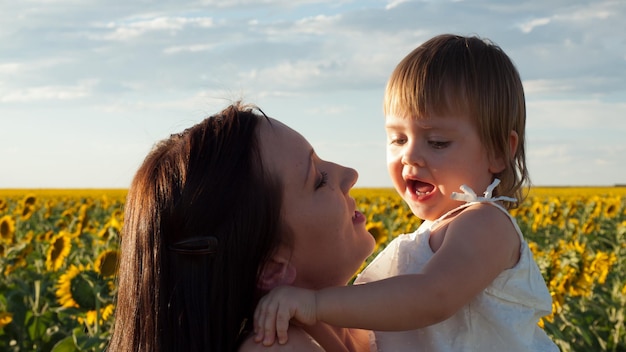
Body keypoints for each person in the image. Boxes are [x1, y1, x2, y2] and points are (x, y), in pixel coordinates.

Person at [253, 34, 559, 351]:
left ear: (498, 152)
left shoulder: (486, 224)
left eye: (437, 142)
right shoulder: (427, 239)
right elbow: (377, 338)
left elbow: (433, 297)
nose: (410, 156)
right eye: (398, 139)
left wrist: (315, 304)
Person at [107, 102, 375, 351]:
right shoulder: (280, 346)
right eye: (318, 180)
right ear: (271, 268)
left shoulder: (380, 308)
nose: (351, 174)